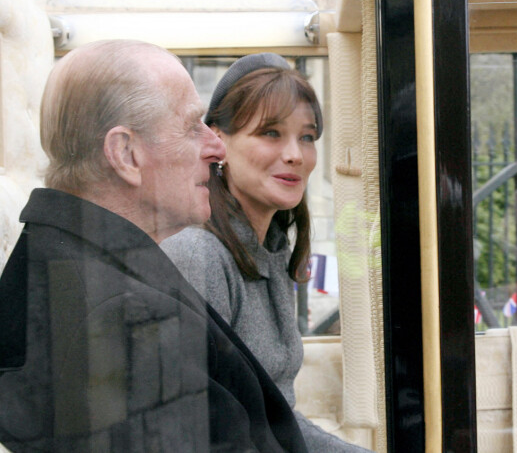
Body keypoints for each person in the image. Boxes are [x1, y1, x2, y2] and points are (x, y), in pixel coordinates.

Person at [0, 40, 308, 453]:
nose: (216, 149)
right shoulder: (124, 318)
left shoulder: (55, 265)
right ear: (125, 153)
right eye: (190, 126)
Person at [161, 53, 373, 453]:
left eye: (307, 137)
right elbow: (197, 429)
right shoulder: (198, 254)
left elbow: (276, 419)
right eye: (271, 133)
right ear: (218, 142)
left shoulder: (270, 252)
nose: (295, 154)